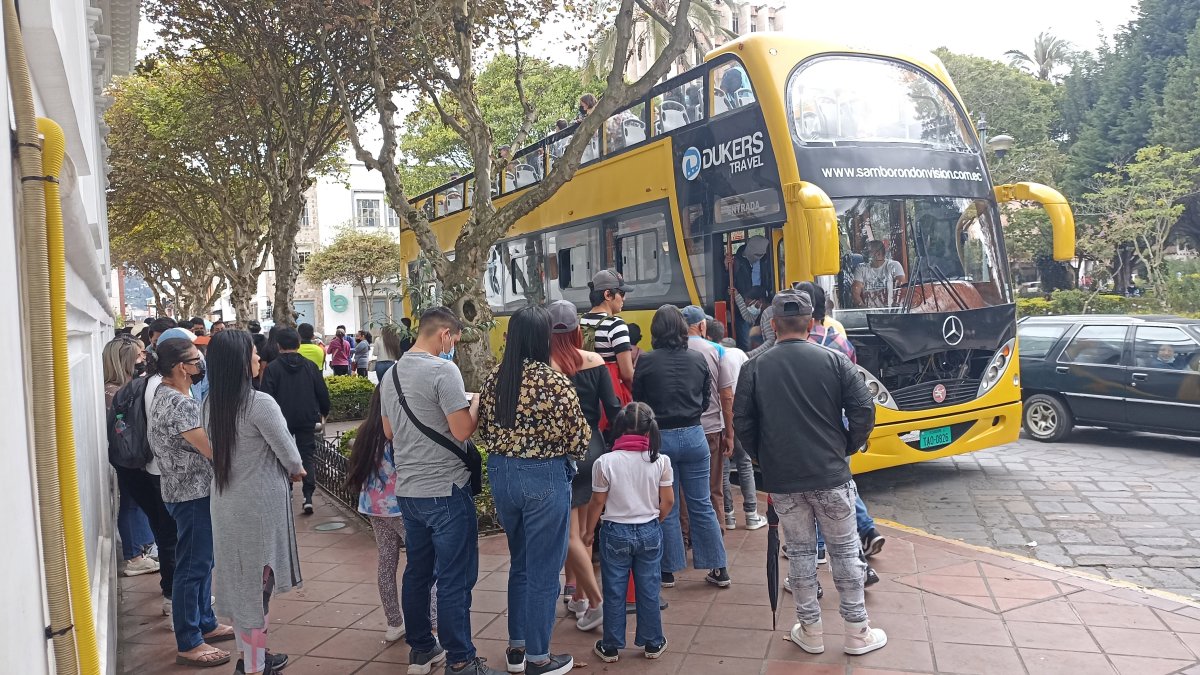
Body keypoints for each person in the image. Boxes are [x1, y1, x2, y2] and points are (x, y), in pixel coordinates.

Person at [733, 290, 886, 656]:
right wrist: (847, 446)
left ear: (772, 324)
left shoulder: (753, 367)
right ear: (812, 323)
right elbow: (864, 408)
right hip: (831, 473)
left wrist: (763, 458)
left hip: (784, 479)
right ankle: (856, 632)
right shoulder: (835, 361)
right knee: (846, 551)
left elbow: (742, 422)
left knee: (800, 553)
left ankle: (811, 630)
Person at [379, 307, 495, 675]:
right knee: (454, 579)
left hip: (409, 493)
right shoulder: (444, 370)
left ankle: (422, 651)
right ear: (445, 334)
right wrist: (473, 402)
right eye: (455, 341)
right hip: (446, 490)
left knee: (417, 572)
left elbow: (388, 432)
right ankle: (461, 660)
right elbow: (462, 430)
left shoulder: (390, 374)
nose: (454, 348)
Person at [478, 306, 591, 675]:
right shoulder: (554, 381)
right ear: (544, 339)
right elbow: (579, 439)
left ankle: (518, 648)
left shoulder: (496, 377)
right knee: (545, 570)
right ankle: (540, 659)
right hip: (544, 477)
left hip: (502, 475)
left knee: (522, 563)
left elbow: (484, 430)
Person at [205, 330, 305, 675]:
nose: (259, 358)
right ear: (238, 362)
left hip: (226, 505)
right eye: (252, 353)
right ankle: (254, 665)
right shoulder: (259, 404)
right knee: (257, 592)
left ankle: (250, 658)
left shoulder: (210, 404)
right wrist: (297, 471)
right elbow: (291, 457)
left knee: (241, 586)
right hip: (258, 509)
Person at [147, 336, 235, 667]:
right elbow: (211, 449)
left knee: (202, 562)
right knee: (192, 567)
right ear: (182, 367)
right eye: (196, 359)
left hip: (183, 491)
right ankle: (189, 640)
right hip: (191, 494)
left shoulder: (165, 392)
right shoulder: (180, 403)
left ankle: (205, 623)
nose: (201, 364)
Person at [632, 305, 729, 589]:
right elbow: (704, 400)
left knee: (666, 504)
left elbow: (640, 402)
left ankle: (669, 570)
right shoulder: (697, 359)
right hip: (695, 435)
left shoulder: (647, 361)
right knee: (701, 504)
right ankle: (719, 567)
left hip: (660, 437)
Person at [547, 300, 620, 632]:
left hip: (562, 451)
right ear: (578, 330)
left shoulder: (544, 367)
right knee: (586, 532)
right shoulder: (595, 361)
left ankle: (587, 598)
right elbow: (614, 408)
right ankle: (577, 597)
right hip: (594, 448)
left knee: (569, 531)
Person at [584, 402, 673, 664]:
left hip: (614, 532)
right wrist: (655, 519)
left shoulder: (605, 462)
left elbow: (597, 502)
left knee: (614, 590)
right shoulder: (661, 461)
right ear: (650, 431)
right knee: (649, 587)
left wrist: (589, 532)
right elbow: (667, 501)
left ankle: (610, 646)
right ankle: (653, 642)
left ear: (619, 429)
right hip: (649, 530)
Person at [346, 388, 412, 644]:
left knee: (386, 562)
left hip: (372, 507)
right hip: (398, 507)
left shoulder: (366, 432)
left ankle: (394, 622)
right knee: (423, 564)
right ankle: (431, 622)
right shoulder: (393, 432)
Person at [103, 336, 160, 577]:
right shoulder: (115, 392)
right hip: (128, 456)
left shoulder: (127, 387)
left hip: (130, 455)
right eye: (138, 356)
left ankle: (139, 550)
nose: (143, 360)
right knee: (131, 503)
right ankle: (134, 555)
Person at [261, 327, 331, 516]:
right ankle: (308, 497)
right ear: (298, 344)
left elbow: (266, 397)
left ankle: (288, 492)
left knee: (281, 454)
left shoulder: (272, 369)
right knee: (306, 455)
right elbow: (322, 393)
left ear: (278, 346)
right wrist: (324, 412)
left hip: (280, 419)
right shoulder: (310, 366)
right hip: (307, 417)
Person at [680, 306, 731, 541]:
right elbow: (726, 395)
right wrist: (729, 432)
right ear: (702, 326)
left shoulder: (672, 350)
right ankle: (715, 536)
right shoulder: (717, 350)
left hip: (681, 429)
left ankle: (686, 536)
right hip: (711, 429)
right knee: (713, 488)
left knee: (681, 490)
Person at [707, 326, 766, 531]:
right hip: (739, 416)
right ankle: (751, 515)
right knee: (745, 464)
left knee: (722, 470)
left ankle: (728, 516)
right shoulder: (739, 354)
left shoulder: (711, 355)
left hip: (718, 420)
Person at [580, 270, 634, 411]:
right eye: (621, 294)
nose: (624, 299)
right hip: (611, 395)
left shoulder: (581, 321)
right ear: (607, 295)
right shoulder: (616, 325)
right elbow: (627, 373)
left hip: (586, 395)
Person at [851, 240, 906, 309]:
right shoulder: (861, 268)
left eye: (869, 251)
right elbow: (855, 293)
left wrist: (893, 311)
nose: (865, 254)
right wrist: (865, 311)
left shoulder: (894, 266)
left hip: (891, 312)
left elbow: (902, 290)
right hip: (869, 313)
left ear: (878, 253)